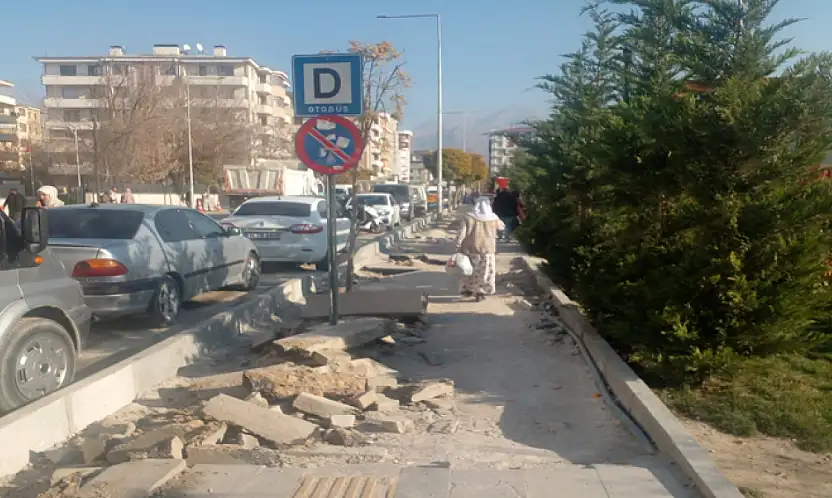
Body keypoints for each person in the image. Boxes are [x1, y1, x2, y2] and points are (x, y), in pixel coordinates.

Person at [454, 196, 504, 301]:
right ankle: (480, 292)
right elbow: (501, 227)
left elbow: (461, 233)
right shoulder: (493, 218)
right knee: (484, 272)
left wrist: (457, 246)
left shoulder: (468, 217)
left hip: (470, 250)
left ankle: (468, 290)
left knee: (469, 271)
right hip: (488, 250)